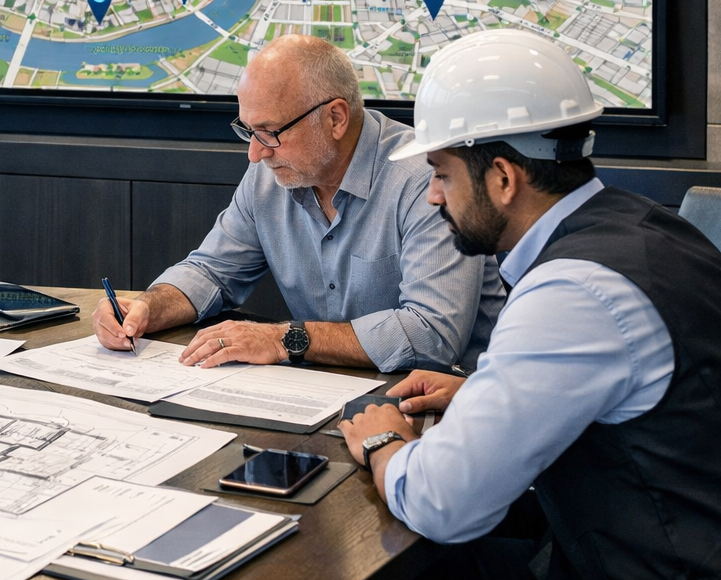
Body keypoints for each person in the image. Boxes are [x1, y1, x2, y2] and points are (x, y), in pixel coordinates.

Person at [339, 28, 721, 580]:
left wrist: (383, 444)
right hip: (655, 552)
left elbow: (443, 502)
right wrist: (483, 391)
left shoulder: (574, 290)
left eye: (442, 174)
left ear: (502, 177)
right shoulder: (641, 225)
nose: (431, 197)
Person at [94, 34, 502, 371]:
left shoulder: (423, 180)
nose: (255, 153)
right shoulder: (271, 173)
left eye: (270, 131)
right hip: (326, 391)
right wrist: (148, 306)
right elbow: (212, 271)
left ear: (336, 118)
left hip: (448, 401)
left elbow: (432, 335)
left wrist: (284, 337)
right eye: (248, 130)